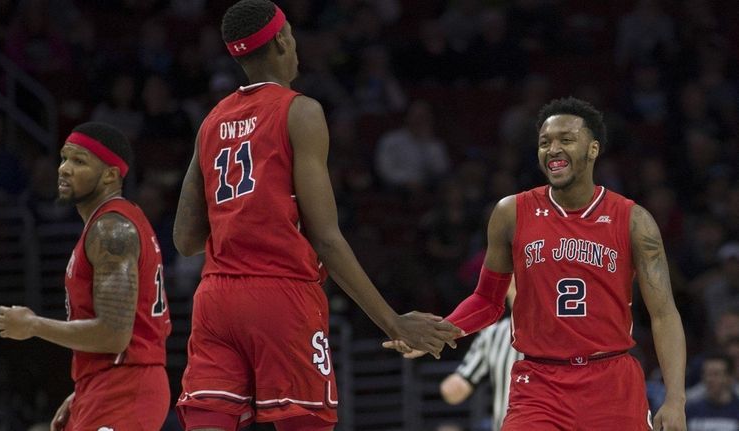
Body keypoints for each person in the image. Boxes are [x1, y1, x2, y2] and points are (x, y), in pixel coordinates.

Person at [172, 1, 462, 430]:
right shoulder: (300, 110)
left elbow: (185, 239)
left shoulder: (211, 121)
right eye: (290, 33)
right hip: (280, 294)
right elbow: (326, 237)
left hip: (215, 298)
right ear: (282, 40)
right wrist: (392, 321)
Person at [387, 97, 687, 430]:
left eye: (566, 140)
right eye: (545, 142)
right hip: (539, 384)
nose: (553, 149)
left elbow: (663, 314)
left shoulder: (634, 220)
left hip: (611, 380)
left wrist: (675, 399)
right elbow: (488, 300)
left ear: (593, 149)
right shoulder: (510, 213)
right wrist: (439, 331)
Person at [0, 122, 172, 430]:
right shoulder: (107, 224)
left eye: (79, 161)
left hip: (126, 387)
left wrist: (34, 325)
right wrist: (83, 388)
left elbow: (114, 335)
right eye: (64, 158)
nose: (64, 169)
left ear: (110, 175)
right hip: (107, 384)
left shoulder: (112, 229)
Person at [439, 282, 521, 431]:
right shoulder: (493, 334)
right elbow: (462, 382)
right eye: (515, 285)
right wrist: (453, 386)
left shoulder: (560, 330)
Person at [685, 353, 739, 430]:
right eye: (707, 374)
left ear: (729, 378)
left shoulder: (737, 410)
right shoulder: (691, 411)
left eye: (716, 374)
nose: (709, 379)